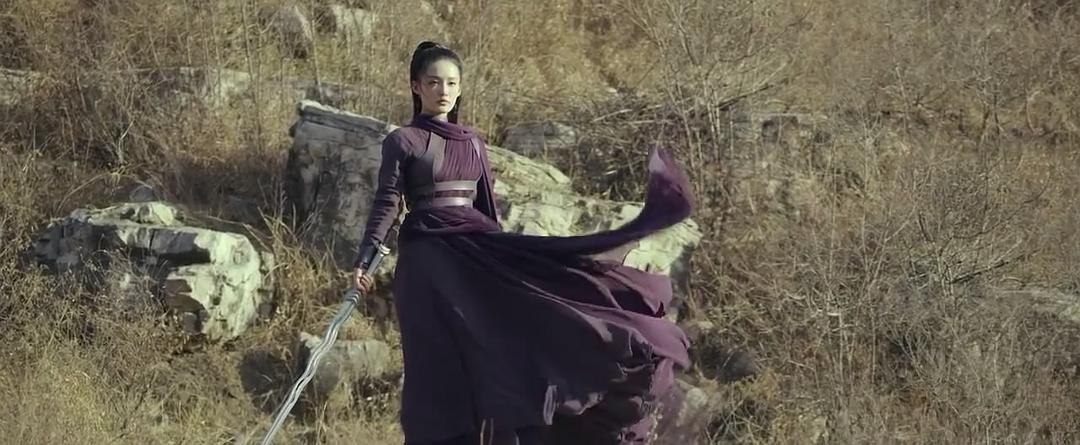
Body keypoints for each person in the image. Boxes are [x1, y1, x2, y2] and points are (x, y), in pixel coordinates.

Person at [352, 41, 695, 445]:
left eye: (451, 83)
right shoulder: (403, 141)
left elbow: (486, 210)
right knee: (433, 365)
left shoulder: (472, 143)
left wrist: (506, 263)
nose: (443, 91)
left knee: (495, 351)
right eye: (433, 82)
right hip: (425, 264)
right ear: (416, 86)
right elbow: (387, 203)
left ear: (460, 88)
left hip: (472, 256)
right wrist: (366, 261)